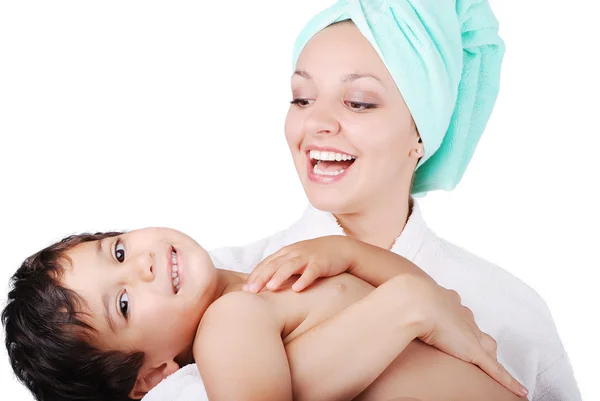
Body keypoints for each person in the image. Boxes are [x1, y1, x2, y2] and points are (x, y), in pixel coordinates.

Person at [204, 1, 578, 400]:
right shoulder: (215, 283)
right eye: (302, 99)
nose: (315, 122)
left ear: (422, 133)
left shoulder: (511, 312)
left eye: (359, 102)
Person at [2, 227, 526, 401]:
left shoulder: (267, 275)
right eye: (123, 304)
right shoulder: (226, 325)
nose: (139, 266)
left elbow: (432, 299)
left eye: (116, 251)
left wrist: (347, 251)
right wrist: (405, 305)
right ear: (151, 377)